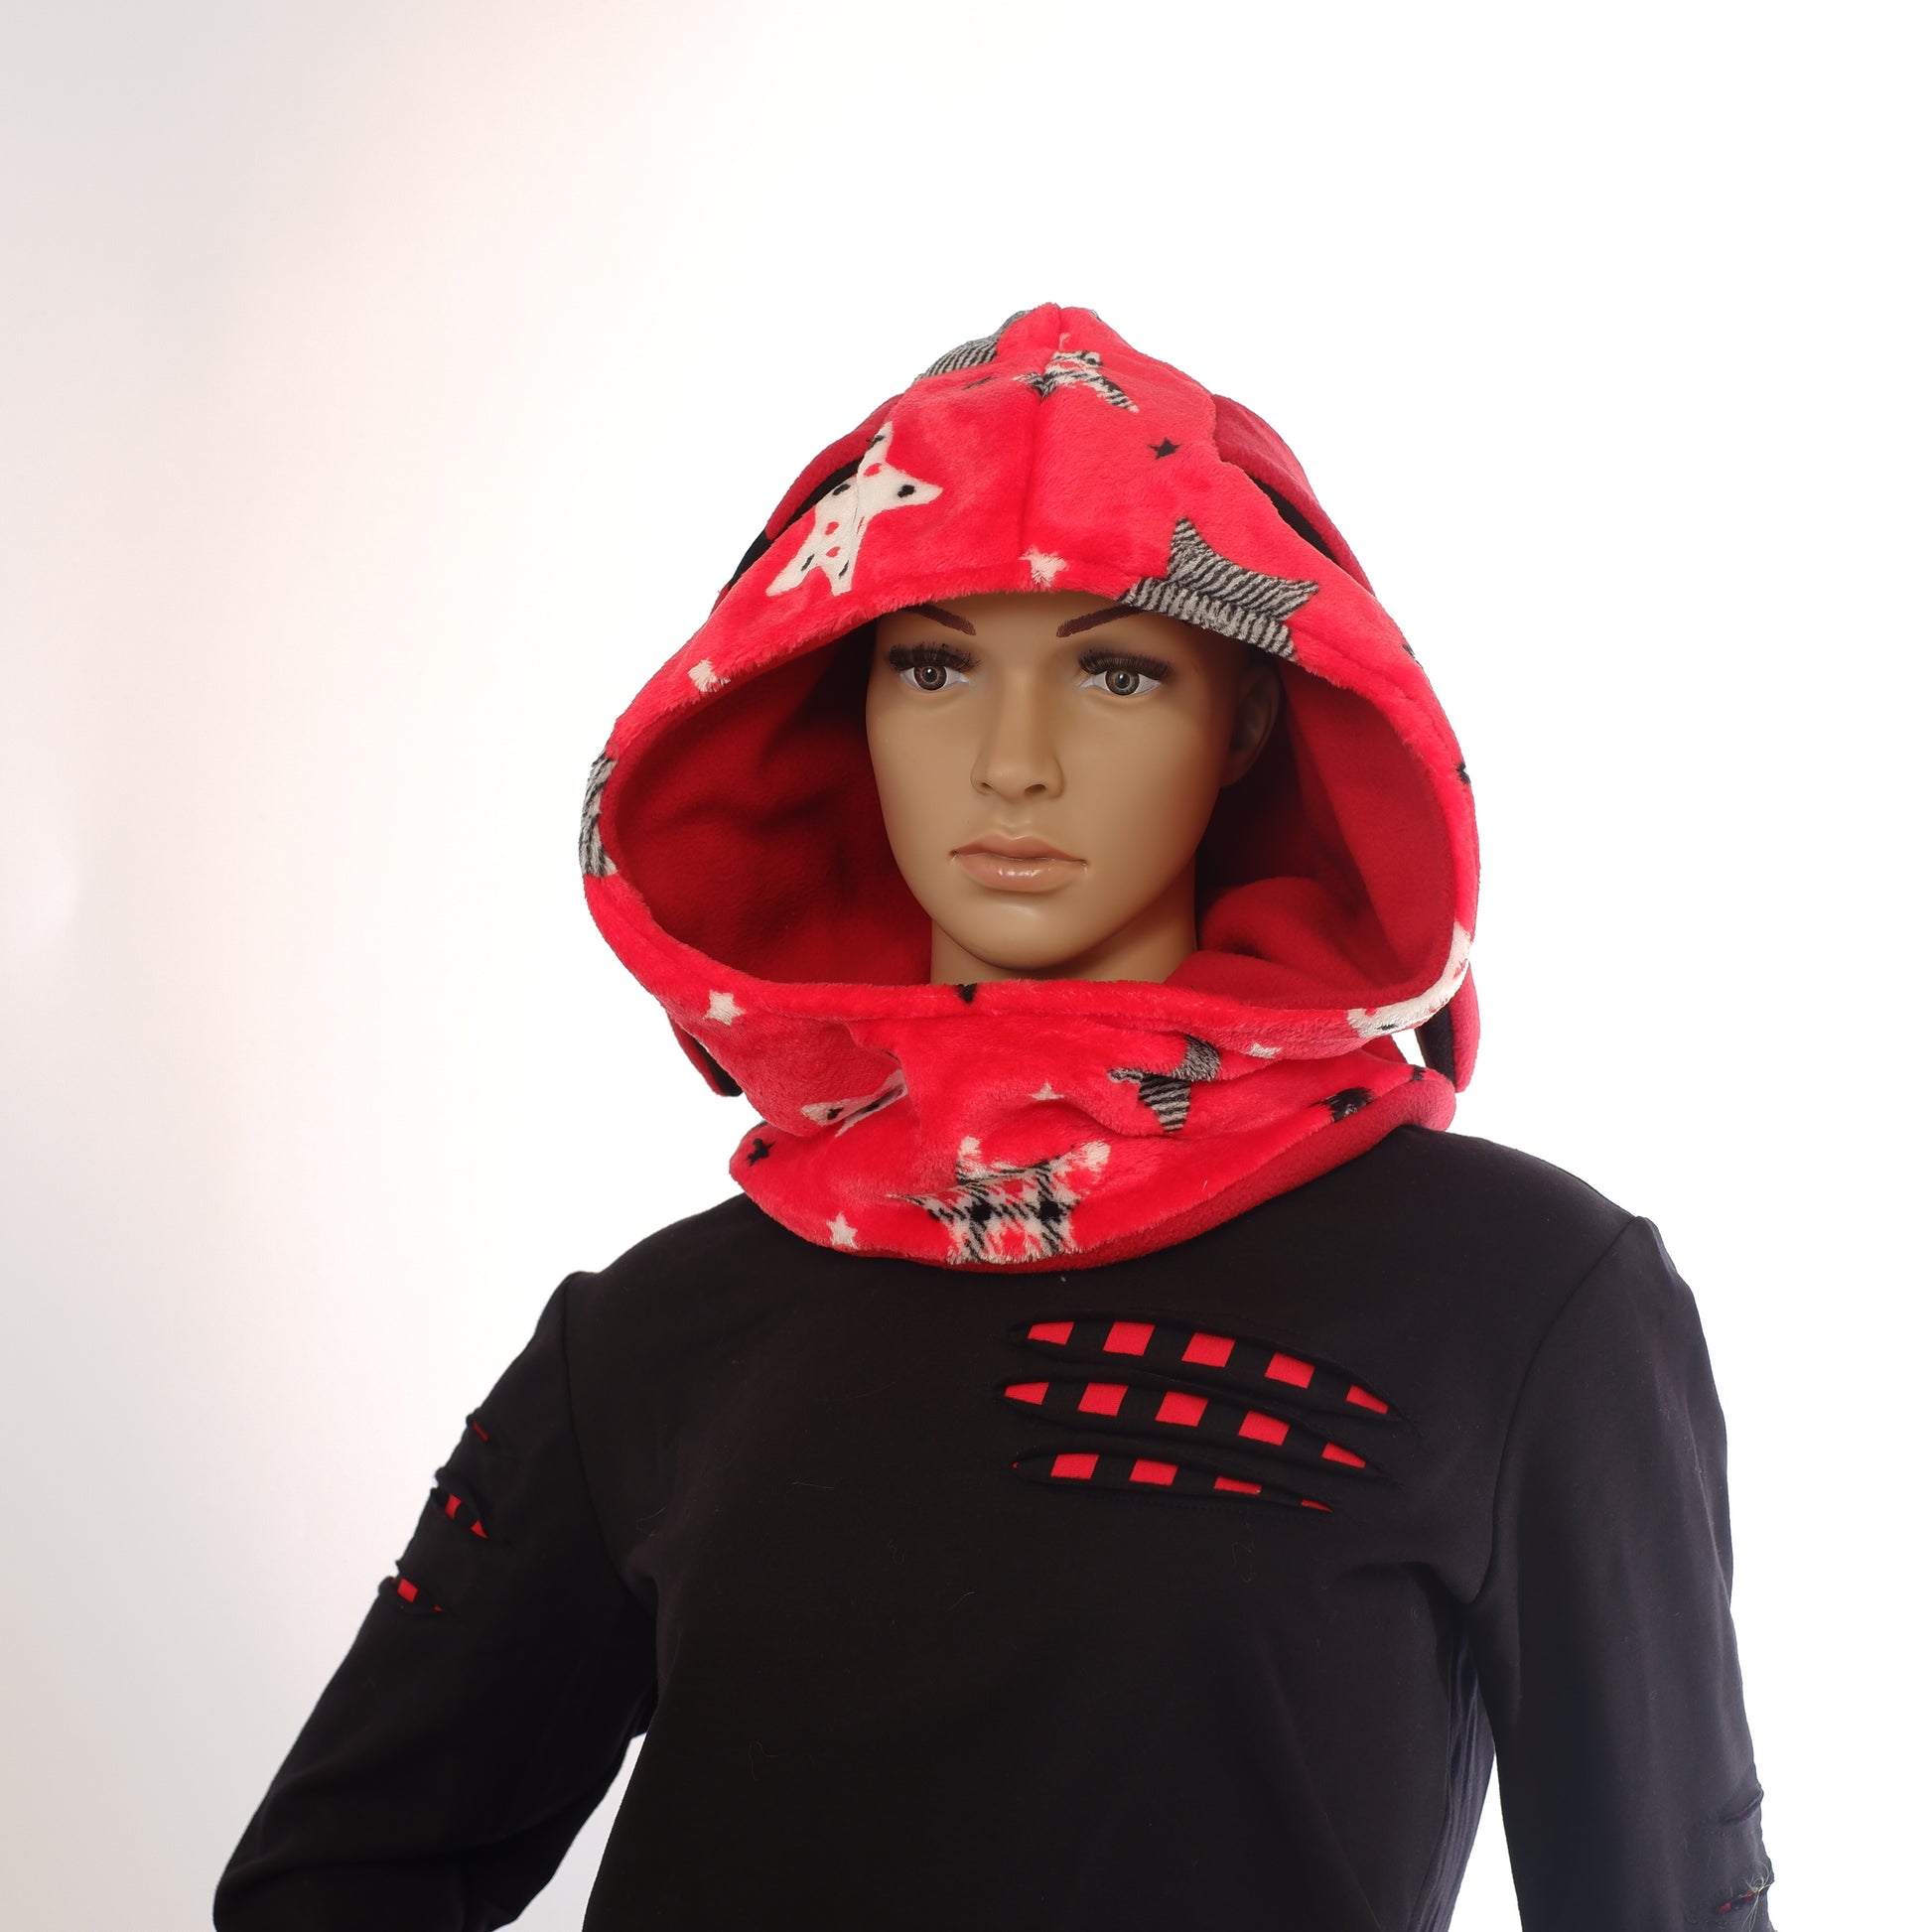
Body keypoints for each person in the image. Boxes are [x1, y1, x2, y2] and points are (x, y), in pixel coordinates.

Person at [213, 304, 1775, 1930]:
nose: (1010, 761)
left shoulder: (1520, 1300)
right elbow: (332, 1878)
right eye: (934, 663)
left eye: (1116, 668)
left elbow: (1663, 1899)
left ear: (1249, 718)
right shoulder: (655, 1337)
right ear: (842, 701)